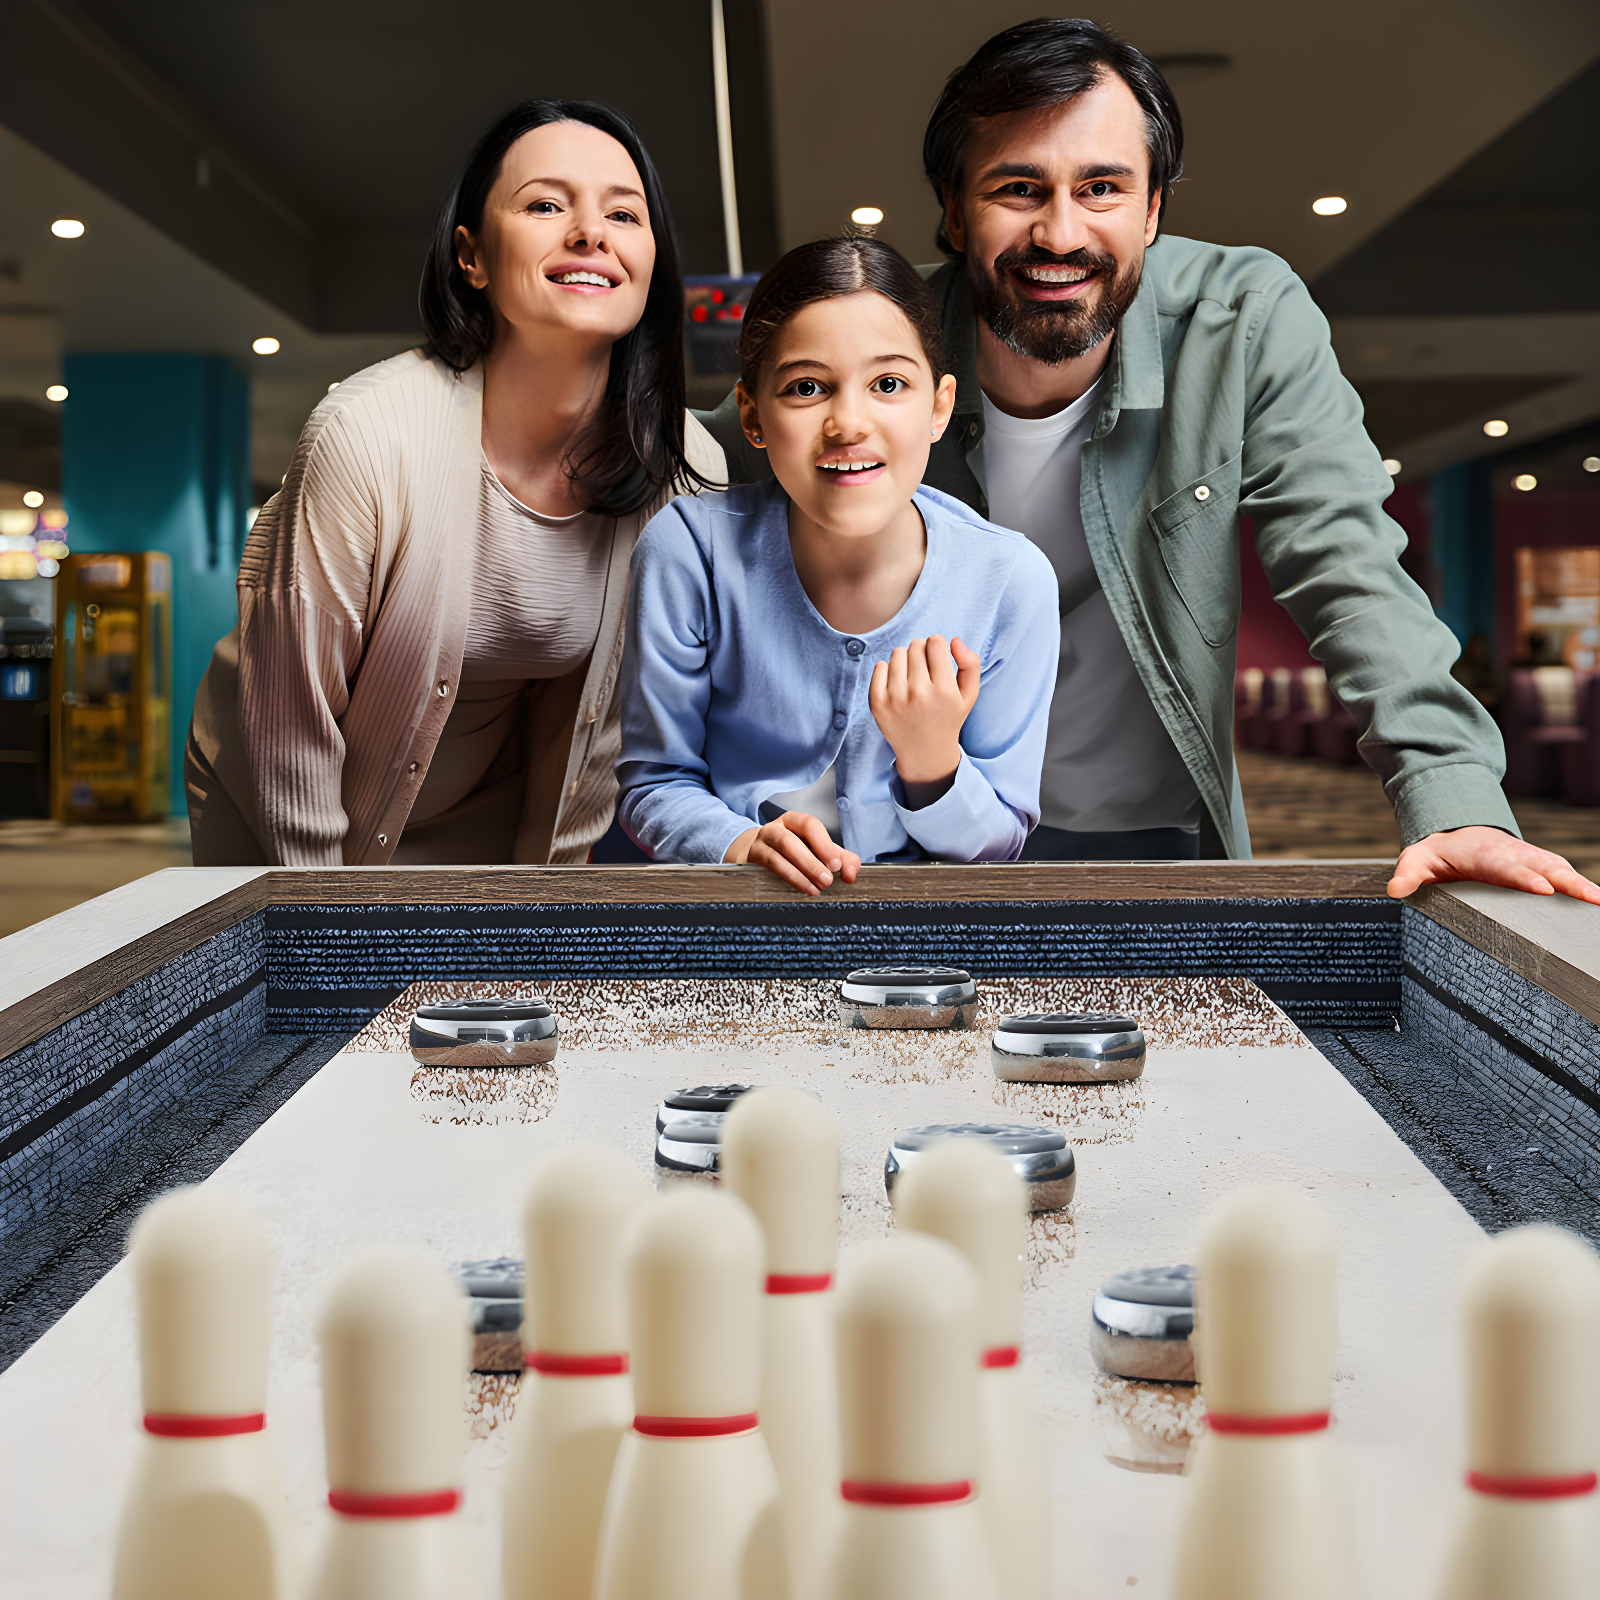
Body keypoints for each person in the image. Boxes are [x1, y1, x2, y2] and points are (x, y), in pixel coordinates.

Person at [699, 19, 1600, 907]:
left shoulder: (1242, 319)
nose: (1059, 234)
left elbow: (1347, 563)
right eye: (1018, 187)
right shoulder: (884, 358)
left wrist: (1453, 800)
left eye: (1101, 187)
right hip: (907, 842)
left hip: (1152, 840)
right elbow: (693, 455)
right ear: (951, 207)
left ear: (1154, 207)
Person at [185, 100, 724, 867]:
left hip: (484, 810)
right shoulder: (366, 434)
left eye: (624, 215)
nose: (590, 233)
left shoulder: (684, 466)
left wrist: (549, 906)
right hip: (276, 805)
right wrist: (336, 931)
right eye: (545, 204)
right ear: (471, 256)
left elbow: (602, 739)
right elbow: (289, 727)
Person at [616, 236, 1059, 896]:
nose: (848, 423)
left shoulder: (1009, 581)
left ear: (939, 406)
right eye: (805, 388)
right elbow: (654, 784)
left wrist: (932, 759)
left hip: (921, 945)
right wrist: (738, 844)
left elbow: (997, 845)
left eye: (888, 384)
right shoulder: (689, 554)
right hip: (738, 924)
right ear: (752, 414)